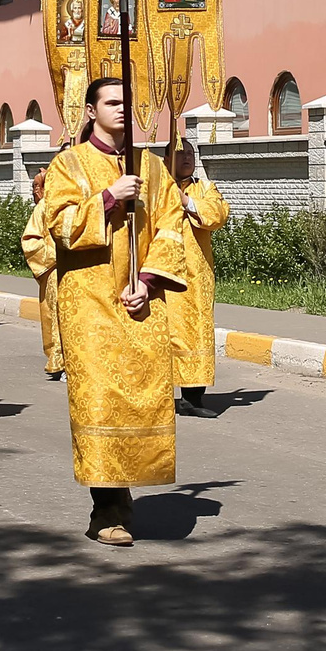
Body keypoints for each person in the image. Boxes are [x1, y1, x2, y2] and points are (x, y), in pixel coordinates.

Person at [40, 77, 189, 546]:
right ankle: (106, 509)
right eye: (111, 102)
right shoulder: (68, 164)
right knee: (100, 402)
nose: (122, 109)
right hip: (89, 307)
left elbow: (170, 226)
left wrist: (147, 282)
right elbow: (59, 226)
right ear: (90, 111)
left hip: (140, 302)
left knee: (139, 400)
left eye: (127, 102)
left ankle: (125, 495)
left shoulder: (153, 166)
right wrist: (107, 199)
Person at [164, 139, 228, 416]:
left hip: (195, 275)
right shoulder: (155, 188)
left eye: (191, 154)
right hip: (161, 274)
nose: (187, 158)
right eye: (180, 154)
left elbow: (217, 215)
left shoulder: (205, 188)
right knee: (161, 335)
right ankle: (159, 397)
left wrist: (186, 202)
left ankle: (193, 398)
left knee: (195, 333)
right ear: (167, 158)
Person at [18, 169, 64, 381]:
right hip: (57, 271)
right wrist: (59, 255)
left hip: (86, 272)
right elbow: (31, 241)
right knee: (58, 316)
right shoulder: (45, 206)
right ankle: (61, 359)